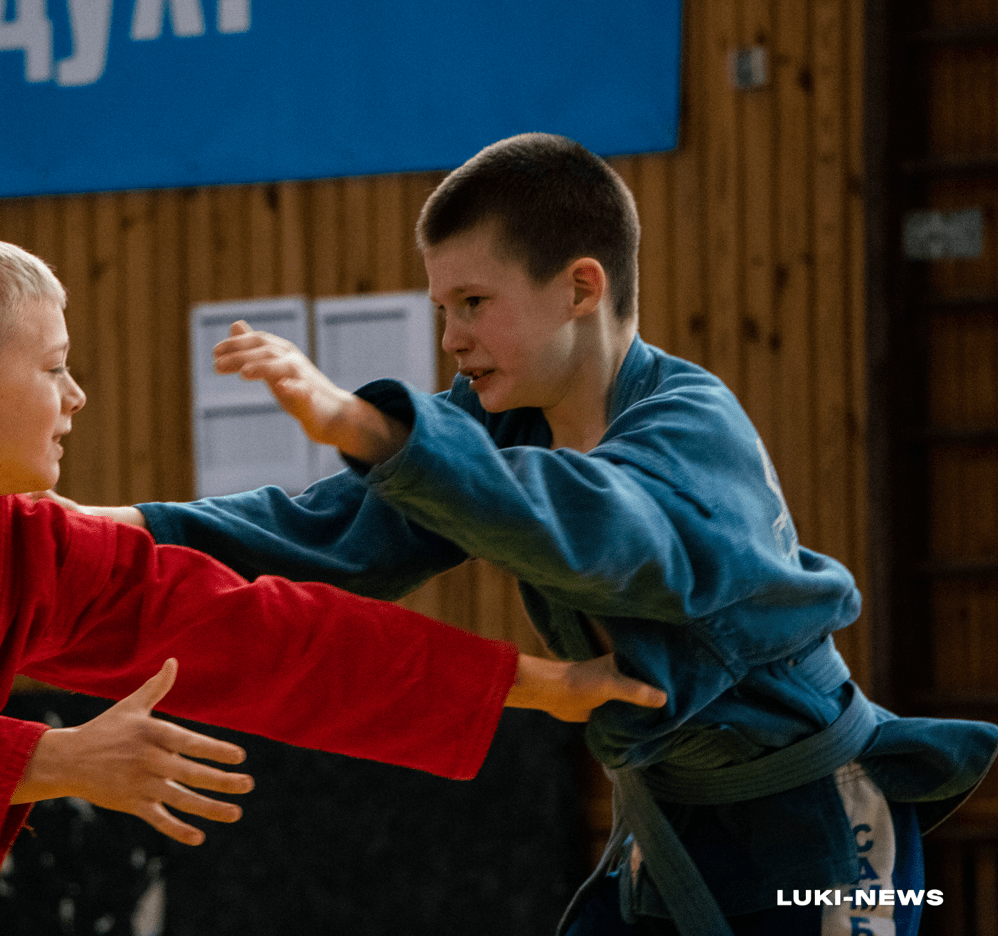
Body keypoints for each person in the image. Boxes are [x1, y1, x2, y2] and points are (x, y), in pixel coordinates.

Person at [0, 215, 668, 936]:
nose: (78, 397)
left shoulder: (35, 550)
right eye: (55, 366)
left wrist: (541, 686)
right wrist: (56, 757)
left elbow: (266, 634)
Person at [74, 134, 998, 936]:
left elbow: (602, 531)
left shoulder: (692, 424)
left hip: (814, 830)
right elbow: (328, 534)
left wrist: (364, 426)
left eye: (473, 304)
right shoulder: (499, 425)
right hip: (670, 824)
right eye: (441, 310)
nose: (451, 339)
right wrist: (105, 533)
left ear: (580, 289)